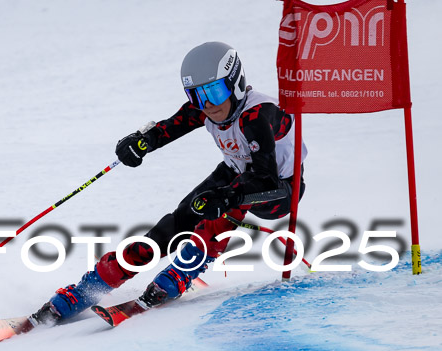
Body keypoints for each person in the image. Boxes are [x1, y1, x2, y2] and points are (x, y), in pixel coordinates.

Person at [30, 41, 308, 325]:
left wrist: (227, 196)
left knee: (221, 209)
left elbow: (264, 179)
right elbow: (171, 126)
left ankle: (179, 274)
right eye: (197, 95)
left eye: (214, 91)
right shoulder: (206, 108)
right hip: (235, 175)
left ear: (235, 82)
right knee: (176, 223)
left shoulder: (258, 115)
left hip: (279, 191)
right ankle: (93, 286)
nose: (208, 103)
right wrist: (141, 142)